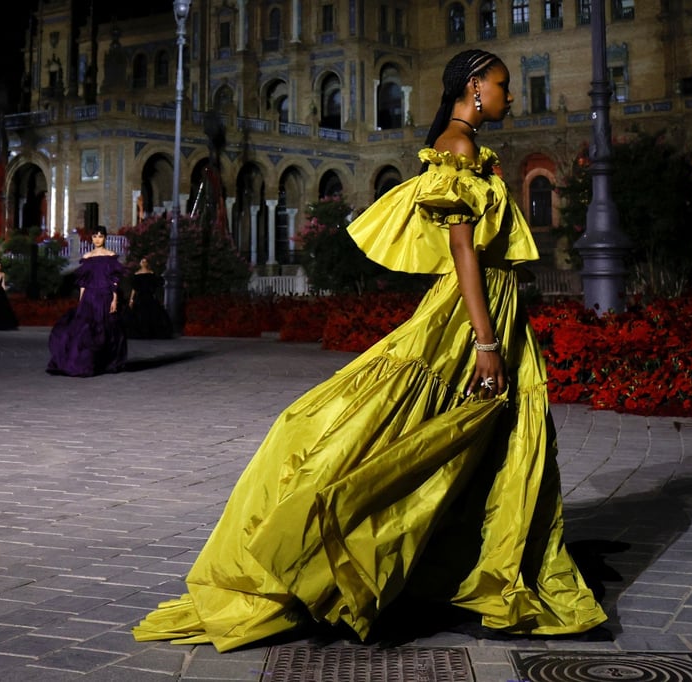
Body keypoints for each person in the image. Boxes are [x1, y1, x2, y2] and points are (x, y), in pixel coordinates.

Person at [132, 49, 607, 652]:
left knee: (482, 432)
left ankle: (468, 554)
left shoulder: (457, 146)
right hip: (473, 313)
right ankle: (343, 540)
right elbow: (464, 251)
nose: (510, 96)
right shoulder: (458, 149)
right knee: (440, 427)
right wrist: (485, 341)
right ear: (473, 88)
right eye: (502, 85)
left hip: (485, 307)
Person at [46, 225, 128, 376]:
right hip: (90, 297)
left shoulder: (111, 256)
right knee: (86, 331)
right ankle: (87, 363)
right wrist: (81, 301)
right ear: (91, 238)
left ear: (105, 238)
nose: (97, 239)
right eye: (95, 236)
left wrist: (114, 299)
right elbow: (83, 283)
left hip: (105, 296)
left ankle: (105, 363)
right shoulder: (87, 257)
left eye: (100, 236)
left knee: (106, 330)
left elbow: (114, 281)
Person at [124, 257, 173, 339]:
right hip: (140, 298)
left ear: (147, 263)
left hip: (149, 297)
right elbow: (134, 288)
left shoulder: (151, 273)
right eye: (142, 261)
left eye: (145, 261)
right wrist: (131, 299)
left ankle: (151, 333)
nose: (143, 263)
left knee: (152, 313)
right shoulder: (137, 274)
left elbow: (155, 287)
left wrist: (157, 297)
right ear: (140, 263)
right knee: (139, 315)